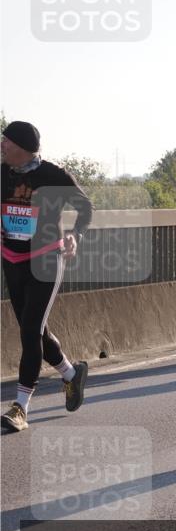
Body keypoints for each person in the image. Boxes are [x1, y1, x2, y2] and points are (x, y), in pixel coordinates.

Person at [0, 121, 92, 433]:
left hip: (46, 259)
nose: (2, 145)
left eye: (6, 141)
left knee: (29, 330)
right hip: (12, 260)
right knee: (36, 331)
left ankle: (20, 407)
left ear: (23, 146)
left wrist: (74, 234)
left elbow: (85, 207)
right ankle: (70, 374)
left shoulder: (53, 175)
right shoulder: (3, 173)